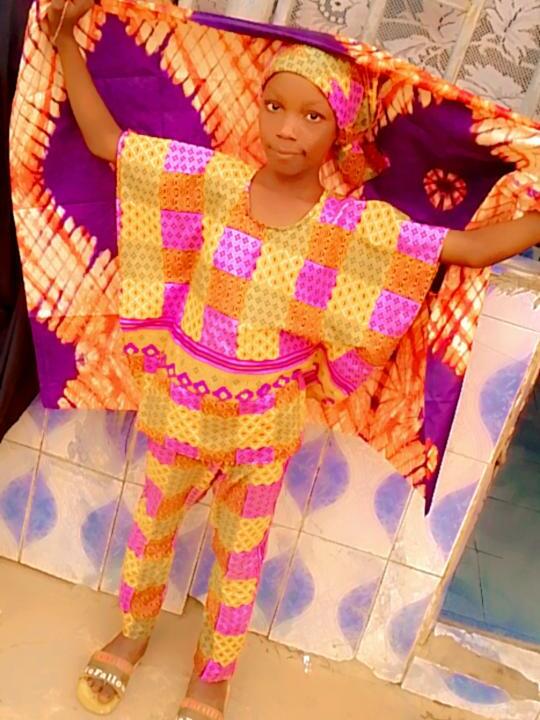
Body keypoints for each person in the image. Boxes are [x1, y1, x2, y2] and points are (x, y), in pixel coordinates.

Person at [45, 1, 540, 718]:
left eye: (312, 116)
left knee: (241, 555)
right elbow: (105, 142)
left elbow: (468, 248)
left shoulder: (351, 230)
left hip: (262, 426)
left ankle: (214, 675)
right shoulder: (214, 183)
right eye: (274, 105)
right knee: (152, 525)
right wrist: (66, 41)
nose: (285, 127)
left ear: (342, 131)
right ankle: (133, 631)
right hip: (182, 401)